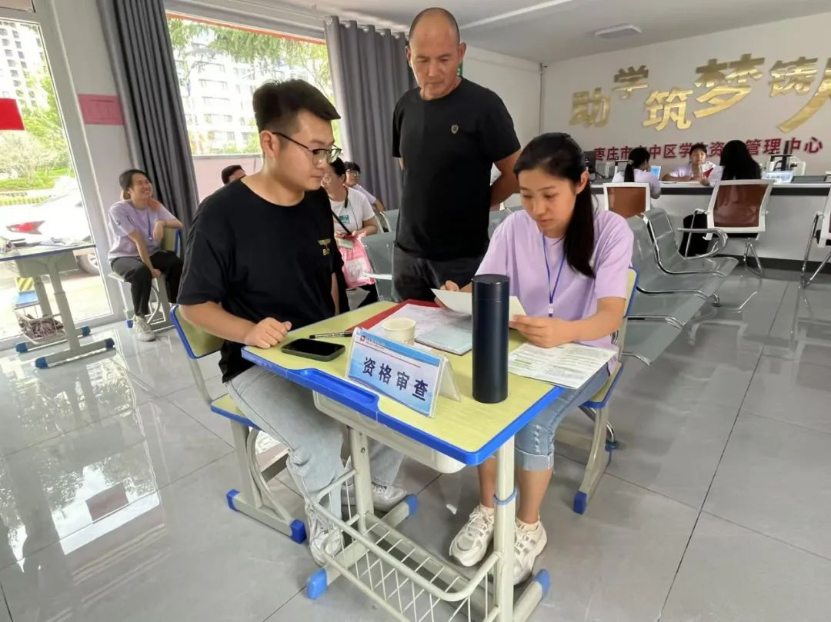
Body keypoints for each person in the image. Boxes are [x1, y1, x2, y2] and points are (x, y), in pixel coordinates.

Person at [177, 80, 406, 565]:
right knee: (319, 438)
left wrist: (345, 329)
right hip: (254, 362)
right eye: (315, 150)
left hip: (320, 346)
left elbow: (328, 277)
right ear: (271, 142)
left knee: (396, 394)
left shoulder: (315, 202)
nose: (325, 164)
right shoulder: (221, 215)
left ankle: (368, 486)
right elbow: (193, 306)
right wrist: (248, 330)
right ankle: (329, 522)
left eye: (329, 151)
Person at [442, 133, 633, 584]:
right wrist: (458, 294)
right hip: (524, 348)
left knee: (534, 419)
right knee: (487, 399)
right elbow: (485, 282)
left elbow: (610, 315)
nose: (537, 209)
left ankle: (528, 525)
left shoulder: (610, 231)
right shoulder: (514, 228)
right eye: (526, 196)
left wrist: (566, 331)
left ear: (580, 183)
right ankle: (488, 508)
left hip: (585, 353)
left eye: (549, 195)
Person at [392, 7, 521, 301]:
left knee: (463, 330)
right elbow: (408, 167)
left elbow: (515, 173)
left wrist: (482, 201)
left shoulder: (484, 106)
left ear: (460, 53)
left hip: (462, 257)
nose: (432, 71)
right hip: (407, 254)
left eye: (444, 59)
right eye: (422, 60)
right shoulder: (404, 106)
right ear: (409, 55)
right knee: (406, 327)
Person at [108, 169, 183, 342]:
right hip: (123, 256)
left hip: (150, 252)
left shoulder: (154, 206)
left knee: (176, 263)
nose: (146, 185)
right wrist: (150, 268)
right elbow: (138, 240)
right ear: (129, 190)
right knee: (141, 271)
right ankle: (139, 318)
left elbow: (179, 224)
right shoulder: (118, 209)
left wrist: (161, 222)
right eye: (139, 183)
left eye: (147, 181)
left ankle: (178, 307)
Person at [681, 139, 763, 255]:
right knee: (697, 221)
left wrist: (705, 182)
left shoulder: (720, 171)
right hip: (751, 223)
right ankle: (696, 257)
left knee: (692, 220)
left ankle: (691, 258)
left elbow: (709, 182)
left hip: (724, 222)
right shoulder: (755, 169)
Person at [324, 157, 380, 308]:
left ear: (341, 178)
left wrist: (359, 233)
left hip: (358, 258)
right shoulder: (317, 201)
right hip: (333, 259)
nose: (322, 181)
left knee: (373, 293)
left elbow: (373, 227)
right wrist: (332, 238)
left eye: (327, 177)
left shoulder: (358, 198)